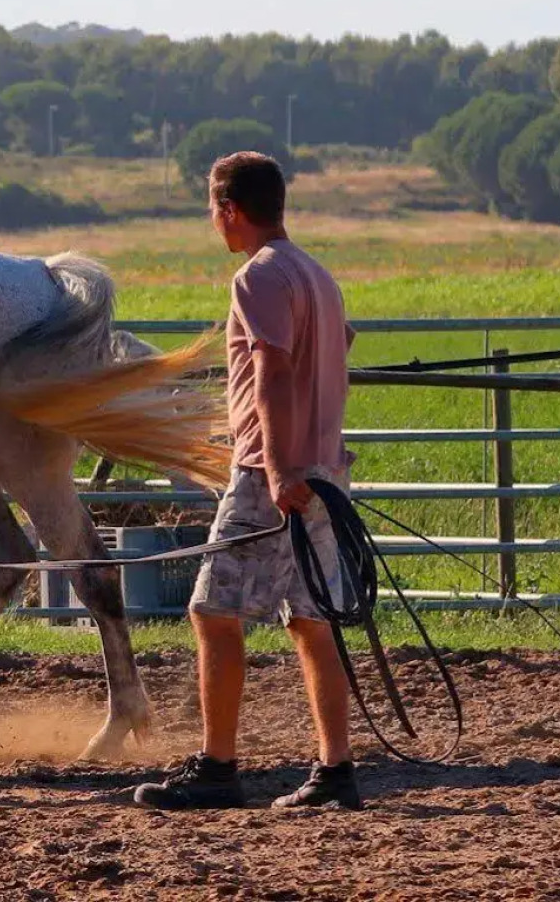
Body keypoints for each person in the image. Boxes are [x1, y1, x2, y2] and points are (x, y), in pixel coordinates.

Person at [135, 150, 363, 812]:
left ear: (230, 209)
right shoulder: (316, 275)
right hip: (326, 471)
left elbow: (269, 369)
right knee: (313, 622)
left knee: (211, 611)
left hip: (273, 472)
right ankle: (335, 771)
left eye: (214, 210)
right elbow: (336, 344)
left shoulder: (258, 277)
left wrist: (278, 466)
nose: (215, 222)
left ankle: (217, 767)